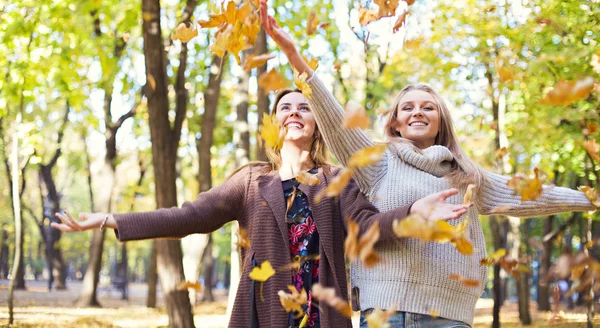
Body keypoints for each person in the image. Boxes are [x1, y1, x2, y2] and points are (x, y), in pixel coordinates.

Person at [259, 1, 597, 327]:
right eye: (407, 107)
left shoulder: (465, 174)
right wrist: (294, 57)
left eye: (427, 107)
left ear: (440, 121)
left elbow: (529, 194)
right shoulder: (377, 160)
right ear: (395, 123)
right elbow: (333, 119)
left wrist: (590, 199)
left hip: (450, 316)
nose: (417, 111)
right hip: (389, 314)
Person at [52, 89, 468, 328]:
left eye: (305, 106)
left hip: (323, 314)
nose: (295, 112)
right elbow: (189, 216)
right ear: (274, 122)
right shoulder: (252, 179)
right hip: (265, 312)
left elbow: (368, 225)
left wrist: (414, 214)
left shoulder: (337, 178)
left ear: (318, 122)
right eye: (285, 107)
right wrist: (110, 219)